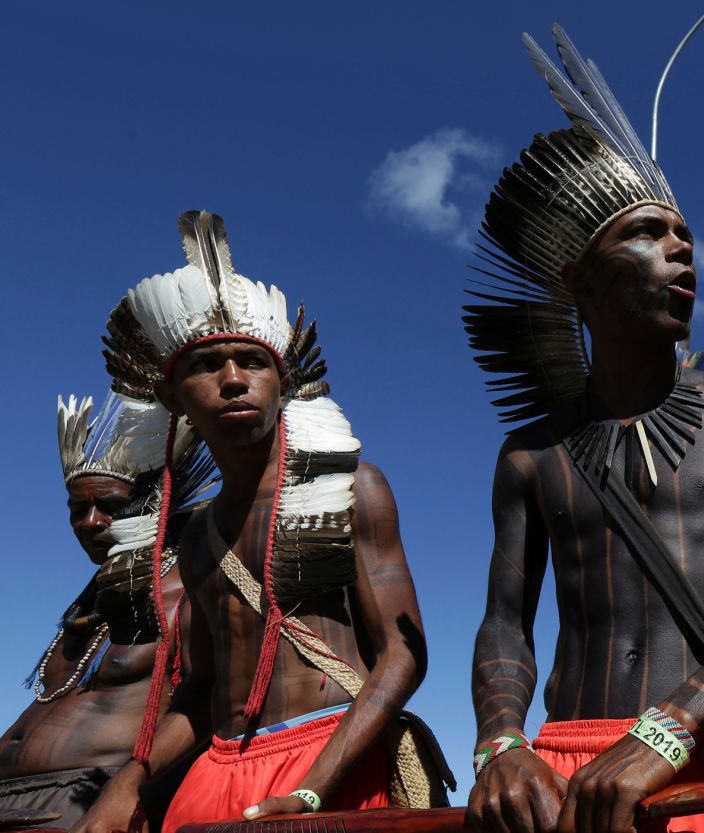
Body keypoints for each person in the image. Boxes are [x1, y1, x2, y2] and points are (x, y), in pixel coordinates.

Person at [464, 28, 704, 833]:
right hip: (567, 772)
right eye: (646, 233)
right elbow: (503, 618)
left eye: (685, 238)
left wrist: (672, 724)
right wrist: (500, 741)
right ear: (579, 280)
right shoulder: (532, 454)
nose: (680, 250)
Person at [74, 211, 448, 833]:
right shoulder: (196, 542)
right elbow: (200, 692)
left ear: (283, 382)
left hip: (336, 763)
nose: (231, 381)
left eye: (252, 361)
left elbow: (403, 657)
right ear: (171, 397)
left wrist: (311, 792)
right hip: (217, 773)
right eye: (205, 366)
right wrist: (130, 781)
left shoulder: (353, 491)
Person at [0, 393, 209, 828]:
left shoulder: (192, 583)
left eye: (111, 507)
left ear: (158, 504)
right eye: (79, 509)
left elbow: (216, 699)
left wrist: (128, 789)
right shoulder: (91, 598)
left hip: (92, 799)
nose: (91, 522)